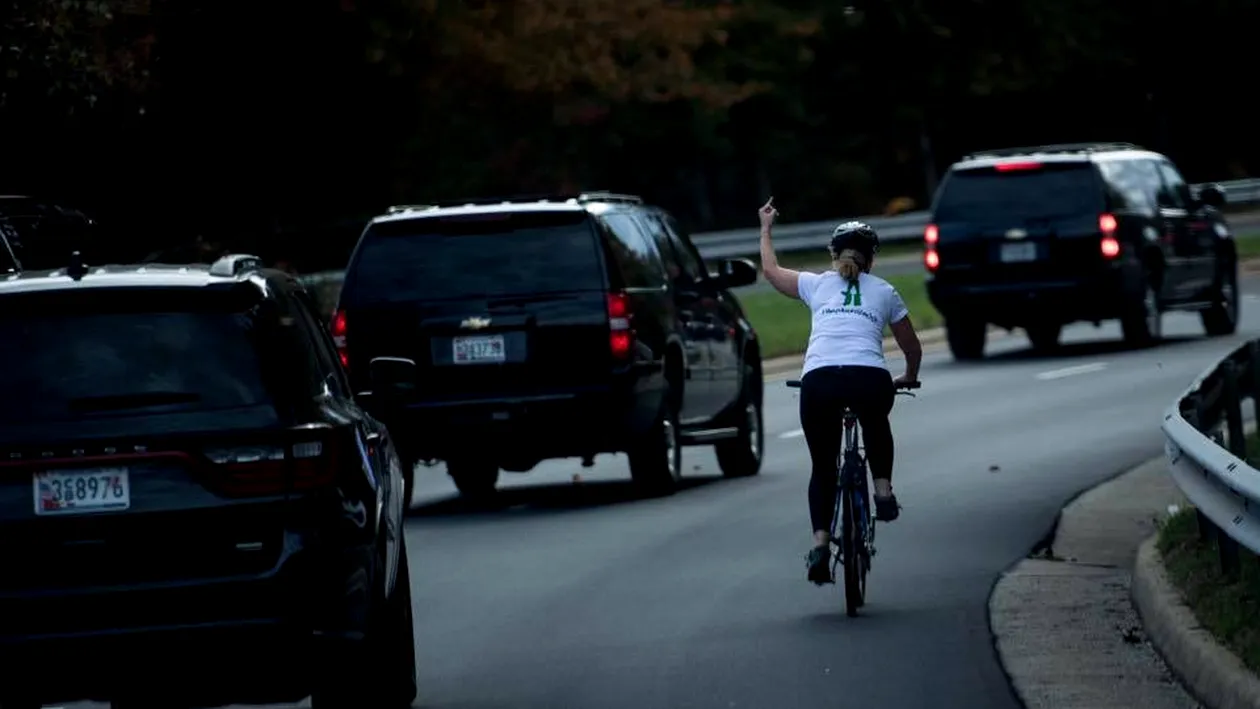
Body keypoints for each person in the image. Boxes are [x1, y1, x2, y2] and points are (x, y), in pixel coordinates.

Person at [756, 197, 923, 585]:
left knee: (822, 467)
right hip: (869, 379)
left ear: (833, 254)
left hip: (820, 381)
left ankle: (819, 544)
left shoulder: (815, 284)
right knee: (876, 422)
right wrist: (909, 374)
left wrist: (766, 228)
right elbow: (911, 346)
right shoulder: (884, 290)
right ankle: (882, 491)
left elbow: (770, 270)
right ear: (872, 258)